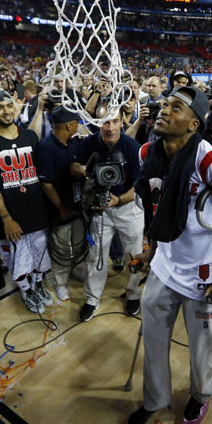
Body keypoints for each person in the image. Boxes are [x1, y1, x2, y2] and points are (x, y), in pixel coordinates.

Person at [127, 86, 212, 424]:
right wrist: (149, 250)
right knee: (152, 338)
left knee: (201, 348)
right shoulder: (146, 153)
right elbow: (156, 210)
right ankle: (154, 399)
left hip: (204, 273)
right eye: (165, 103)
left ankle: (201, 395)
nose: (165, 109)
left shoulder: (211, 161)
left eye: (177, 107)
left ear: (194, 125)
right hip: (164, 265)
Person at [0, 91, 53, 314]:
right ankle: (26, 289)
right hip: (9, 215)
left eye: (9, 105)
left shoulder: (29, 137)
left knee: (38, 253)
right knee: (16, 258)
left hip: (35, 210)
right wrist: (7, 219)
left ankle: (37, 284)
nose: (6, 111)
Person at [70, 109, 145, 321]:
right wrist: (86, 170)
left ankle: (133, 294)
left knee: (134, 255)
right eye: (105, 122)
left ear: (122, 123)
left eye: (114, 122)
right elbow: (73, 167)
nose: (110, 127)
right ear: (98, 124)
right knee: (96, 256)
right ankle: (92, 299)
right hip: (100, 209)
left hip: (127, 207)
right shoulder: (90, 143)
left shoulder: (132, 147)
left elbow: (140, 186)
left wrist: (118, 200)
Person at [37, 105, 82, 301]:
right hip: (58, 209)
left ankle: (76, 270)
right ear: (69, 126)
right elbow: (46, 184)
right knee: (61, 248)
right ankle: (61, 283)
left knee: (78, 242)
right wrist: (61, 208)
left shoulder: (73, 142)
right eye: (77, 124)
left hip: (77, 204)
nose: (79, 127)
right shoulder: (46, 147)